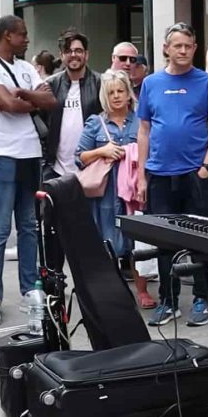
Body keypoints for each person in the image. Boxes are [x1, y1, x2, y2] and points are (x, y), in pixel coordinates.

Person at [136, 22, 208, 327]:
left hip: (196, 174)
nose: (183, 51)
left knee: (200, 240)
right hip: (160, 174)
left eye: (188, 45)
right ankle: (169, 300)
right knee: (165, 242)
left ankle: (202, 298)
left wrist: (207, 166)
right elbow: (144, 131)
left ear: (195, 48)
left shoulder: (206, 82)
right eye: (178, 45)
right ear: (166, 48)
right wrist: (140, 175)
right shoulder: (151, 83)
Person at [0, 15, 58, 326]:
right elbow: (5, 103)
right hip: (1, 154)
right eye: (22, 34)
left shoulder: (25, 68)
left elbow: (50, 100)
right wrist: (23, 99)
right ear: (7, 35)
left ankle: (29, 292)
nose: (27, 39)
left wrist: (23, 97)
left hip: (30, 153)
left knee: (29, 227)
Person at [74, 70, 142, 288]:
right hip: (105, 192)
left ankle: (142, 290)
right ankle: (112, 289)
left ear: (129, 93)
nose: (116, 96)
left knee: (137, 242)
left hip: (132, 190)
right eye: (111, 92)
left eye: (120, 91)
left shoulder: (140, 121)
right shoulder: (95, 122)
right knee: (106, 240)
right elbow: (79, 157)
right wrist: (102, 151)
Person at [44, 30, 103, 180]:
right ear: (61, 55)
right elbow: (42, 125)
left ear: (86, 54)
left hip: (91, 168)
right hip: (56, 170)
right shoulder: (50, 85)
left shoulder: (100, 83)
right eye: (68, 51)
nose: (74, 55)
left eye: (78, 50)